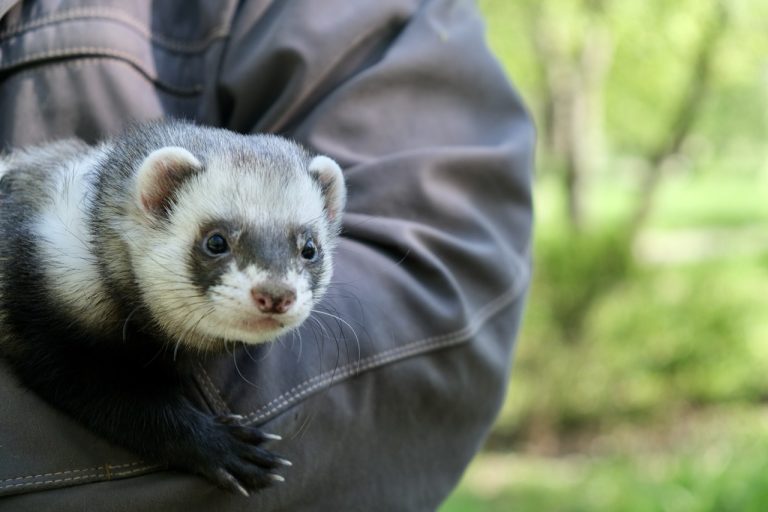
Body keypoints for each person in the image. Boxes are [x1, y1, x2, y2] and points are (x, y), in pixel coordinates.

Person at [0, 0, 533, 510]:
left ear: (330, 215)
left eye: (306, 250)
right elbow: (76, 376)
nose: (279, 288)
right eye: (217, 245)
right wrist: (185, 434)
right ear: (156, 202)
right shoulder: (51, 257)